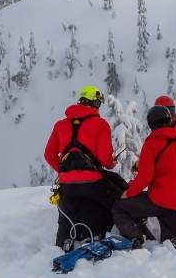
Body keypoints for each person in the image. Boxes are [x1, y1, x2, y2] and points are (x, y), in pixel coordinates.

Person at [43, 85, 122, 251]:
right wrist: (111, 163)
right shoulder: (100, 124)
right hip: (93, 182)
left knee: (70, 206)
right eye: (99, 103)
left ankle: (65, 239)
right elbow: (104, 159)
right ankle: (101, 232)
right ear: (94, 103)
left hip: (66, 184)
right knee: (117, 198)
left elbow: (49, 155)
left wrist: (67, 172)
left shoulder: (60, 125)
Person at [112, 106, 176, 249]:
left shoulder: (152, 143)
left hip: (160, 200)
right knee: (172, 242)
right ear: (169, 121)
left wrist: (128, 193)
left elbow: (145, 177)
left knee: (120, 208)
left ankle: (136, 238)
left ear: (151, 124)